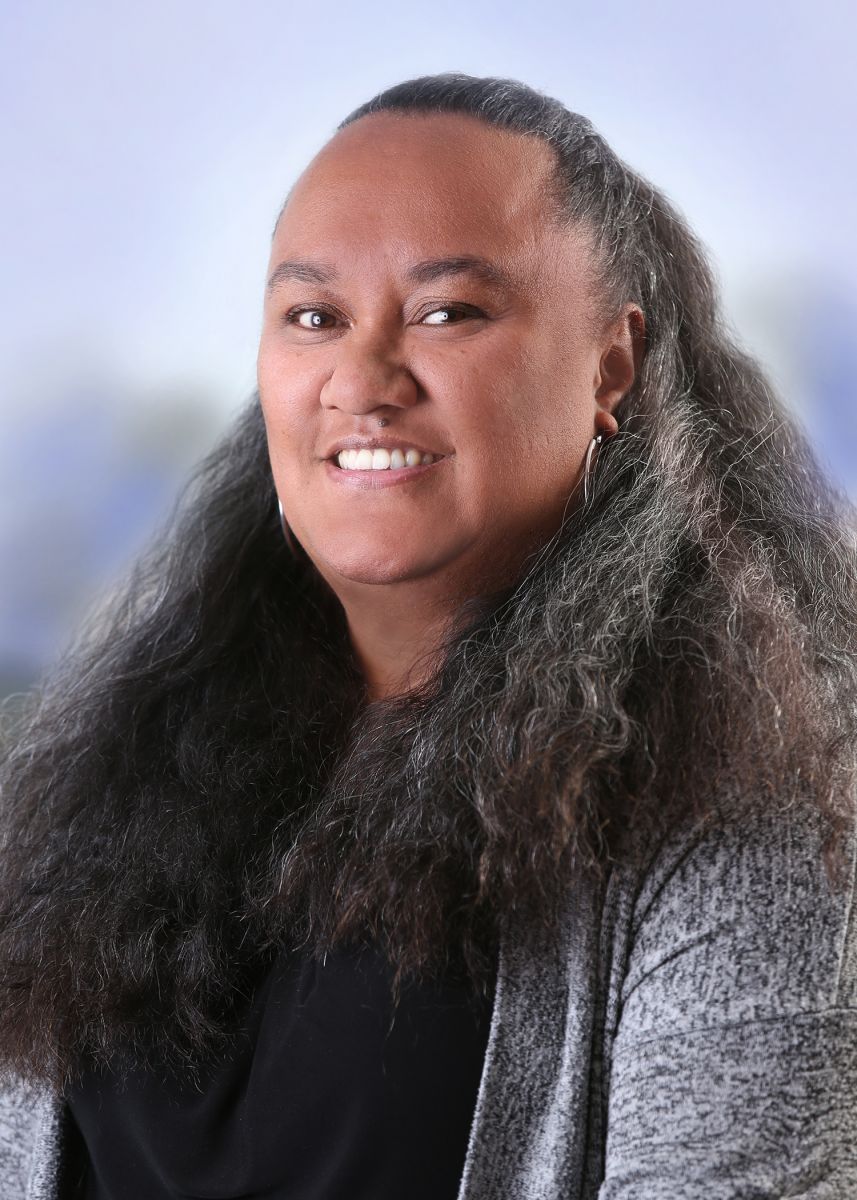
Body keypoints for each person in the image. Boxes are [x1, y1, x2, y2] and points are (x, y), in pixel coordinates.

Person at [0, 71, 856, 1199]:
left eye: (447, 312)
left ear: (611, 366)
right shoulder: (115, 780)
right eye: (315, 318)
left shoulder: (751, 803)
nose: (361, 380)